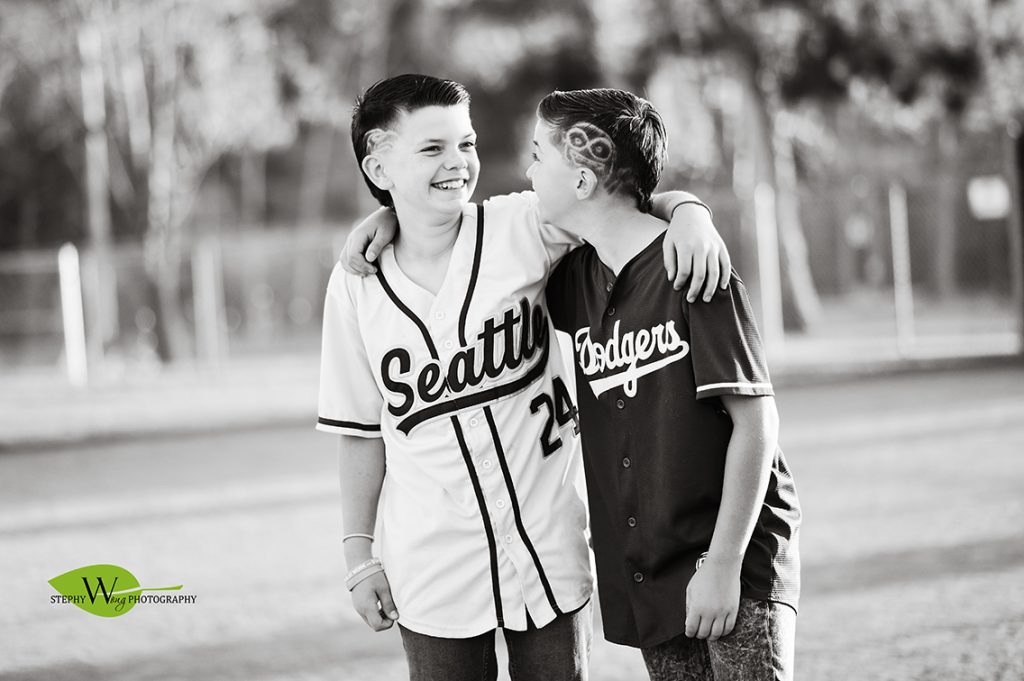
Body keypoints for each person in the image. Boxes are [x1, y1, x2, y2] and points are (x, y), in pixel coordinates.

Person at [318, 73, 729, 681]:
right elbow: (360, 432)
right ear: (379, 167)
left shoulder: (521, 226)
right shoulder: (356, 284)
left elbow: (617, 200)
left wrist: (690, 212)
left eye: (466, 144)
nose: (457, 162)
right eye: (432, 149)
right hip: (432, 567)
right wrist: (359, 554)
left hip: (547, 548)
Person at [538, 89, 802, 680]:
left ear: (581, 178)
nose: (528, 173)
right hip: (650, 570)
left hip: (732, 559)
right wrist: (389, 217)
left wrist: (723, 564)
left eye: (538, 155)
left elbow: (756, 422)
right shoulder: (574, 280)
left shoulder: (691, 266)